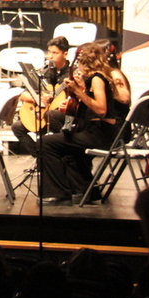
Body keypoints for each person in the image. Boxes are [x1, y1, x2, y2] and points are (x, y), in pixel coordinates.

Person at [40, 40, 130, 205]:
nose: (77, 65)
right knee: (66, 145)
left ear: (84, 61)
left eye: (79, 61)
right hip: (98, 131)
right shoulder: (98, 77)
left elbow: (101, 110)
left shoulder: (97, 78)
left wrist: (78, 92)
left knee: (45, 143)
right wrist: (80, 89)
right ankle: (86, 191)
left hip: (100, 133)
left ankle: (58, 192)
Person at [11, 36, 72, 156]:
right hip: (43, 114)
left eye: (55, 53)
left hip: (61, 116)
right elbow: (23, 94)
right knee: (17, 127)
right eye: (49, 52)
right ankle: (40, 158)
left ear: (65, 54)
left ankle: (61, 155)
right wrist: (36, 98)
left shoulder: (71, 73)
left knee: (51, 115)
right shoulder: (45, 72)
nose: (50, 56)